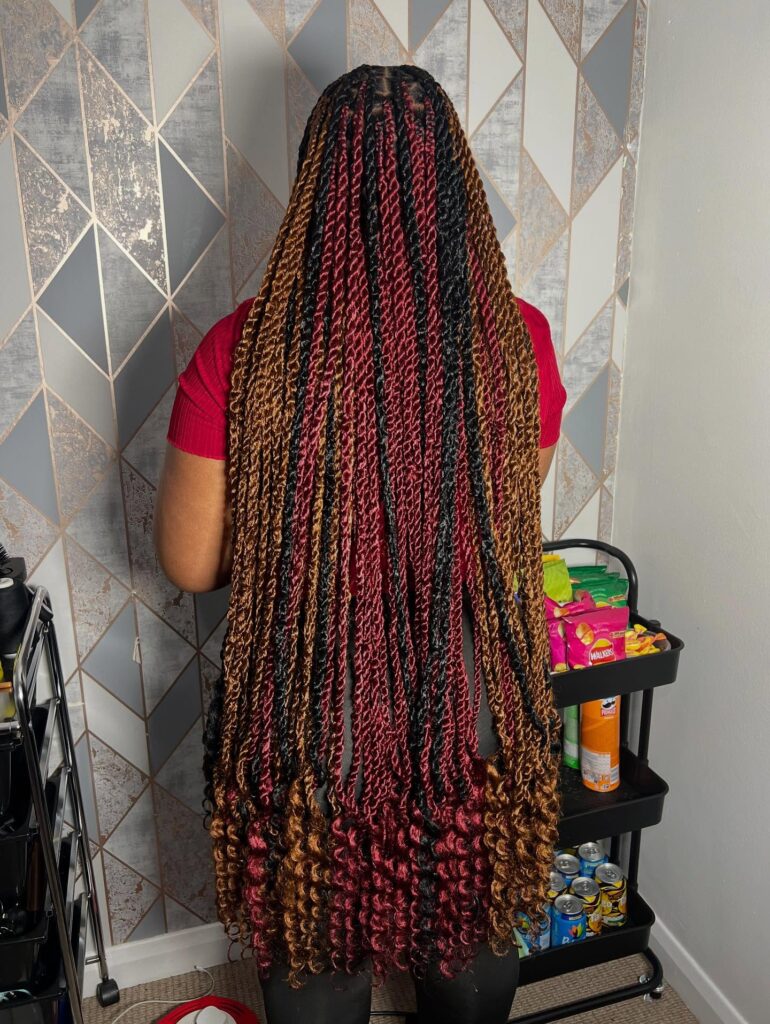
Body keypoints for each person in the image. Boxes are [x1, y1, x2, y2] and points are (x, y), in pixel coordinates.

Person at [155, 65, 567, 1024]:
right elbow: (504, 515)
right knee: (468, 911)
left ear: (315, 195)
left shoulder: (243, 353)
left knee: (317, 925)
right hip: (470, 693)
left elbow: (191, 566)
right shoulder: (518, 341)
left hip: (312, 711)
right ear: (454, 189)